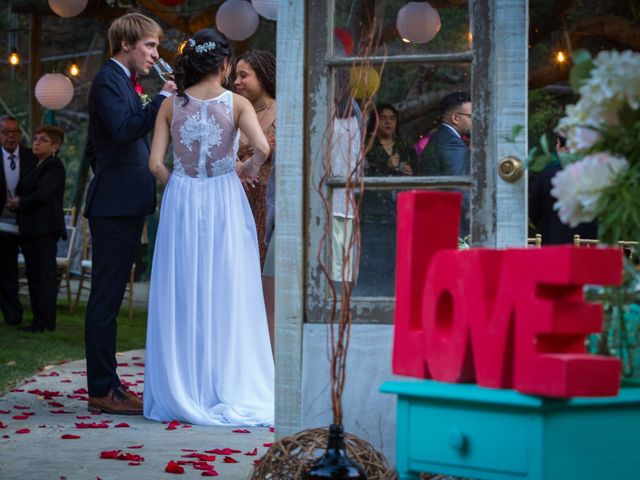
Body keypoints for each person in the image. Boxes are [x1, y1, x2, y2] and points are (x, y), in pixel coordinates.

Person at [144, 28, 274, 426]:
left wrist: (181, 184)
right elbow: (264, 149)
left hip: (182, 199)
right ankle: (225, 379)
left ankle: (183, 382)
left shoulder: (170, 104)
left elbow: (154, 165)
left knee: (181, 286)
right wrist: (241, 170)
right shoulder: (236, 103)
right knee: (226, 284)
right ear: (225, 64)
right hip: (224, 198)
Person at [84, 13, 176, 415]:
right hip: (114, 207)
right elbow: (122, 131)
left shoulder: (123, 81)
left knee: (111, 297)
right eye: (150, 46)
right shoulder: (108, 79)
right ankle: (103, 389)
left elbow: (96, 147)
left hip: (123, 203)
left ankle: (108, 385)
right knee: (105, 300)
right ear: (126, 43)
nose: (155, 54)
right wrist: (159, 101)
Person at [7, 126, 66, 333]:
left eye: (43, 140)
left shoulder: (54, 166)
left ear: (55, 146)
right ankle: (39, 319)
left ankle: (44, 322)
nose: (36, 143)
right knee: (35, 276)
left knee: (43, 277)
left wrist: (19, 202)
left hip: (43, 230)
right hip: (31, 229)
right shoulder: (37, 164)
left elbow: (42, 195)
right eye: (35, 138)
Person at [234, 50, 276, 267]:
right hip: (237, 202)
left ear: (262, 75)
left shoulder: (286, 112)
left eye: (243, 75)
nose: (236, 81)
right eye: (235, 76)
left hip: (270, 205)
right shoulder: (236, 111)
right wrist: (237, 166)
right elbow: (216, 148)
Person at [417, 91, 472, 237]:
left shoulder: (440, 137)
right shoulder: (453, 143)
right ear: (455, 118)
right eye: (471, 116)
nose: (475, 120)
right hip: (451, 225)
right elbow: (459, 189)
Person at [0, 115, 36, 326]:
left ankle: (40, 315)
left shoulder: (31, 156)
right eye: (5, 131)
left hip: (28, 223)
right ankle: (13, 316)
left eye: (14, 132)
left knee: (35, 272)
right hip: (2, 226)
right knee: (7, 273)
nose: (10, 136)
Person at [529, 135, 598, 244]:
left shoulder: (546, 174)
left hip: (554, 244)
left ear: (565, 148)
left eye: (557, 144)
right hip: (590, 245)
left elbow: (533, 212)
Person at [365, 103, 415, 176]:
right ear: (375, 122)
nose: (388, 122)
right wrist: (385, 167)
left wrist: (411, 173)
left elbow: (418, 171)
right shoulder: (366, 147)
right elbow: (361, 175)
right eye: (383, 118)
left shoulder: (405, 146)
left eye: (392, 118)